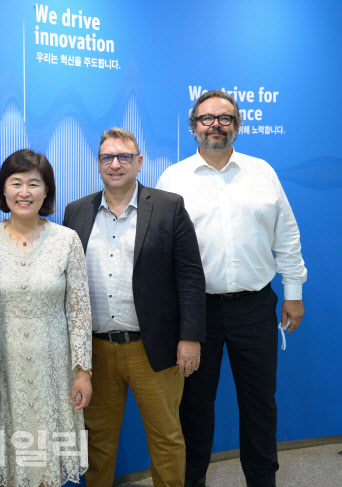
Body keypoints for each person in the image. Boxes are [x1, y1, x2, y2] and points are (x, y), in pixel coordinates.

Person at [157, 90, 307, 487]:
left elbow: (286, 235)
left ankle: (262, 481)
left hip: (254, 308)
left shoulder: (262, 172)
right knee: (194, 407)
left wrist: (293, 292)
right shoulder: (173, 179)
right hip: (196, 314)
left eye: (225, 118)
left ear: (236, 126)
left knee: (260, 405)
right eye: (206, 118)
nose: (216, 125)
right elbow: (161, 250)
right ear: (193, 127)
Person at [63, 128, 206, 487]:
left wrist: (190, 337)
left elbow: (190, 277)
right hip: (96, 352)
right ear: (98, 164)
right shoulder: (76, 212)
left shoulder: (169, 207)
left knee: (166, 438)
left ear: (139, 162)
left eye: (124, 157)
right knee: (97, 440)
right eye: (107, 157)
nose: (115, 164)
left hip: (153, 349)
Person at [0, 149, 92, 487]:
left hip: (55, 371)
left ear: (47, 191)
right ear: (3, 189)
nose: (24, 192)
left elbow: (79, 310)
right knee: (13, 463)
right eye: (16, 183)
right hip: (4, 369)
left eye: (33, 183)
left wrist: (83, 371)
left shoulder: (66, 240)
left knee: (47, 463)